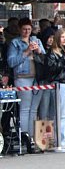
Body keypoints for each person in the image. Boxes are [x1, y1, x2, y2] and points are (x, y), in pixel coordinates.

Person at [5, 17, 46, 153]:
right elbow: (11, 62)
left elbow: (46, 59)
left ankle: (33, 139)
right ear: (19, 29)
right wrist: (26, 51)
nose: (27, 32)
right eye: (24, 29)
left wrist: (39, 51)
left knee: (34, 109)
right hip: (22, 78)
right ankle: (24, 137)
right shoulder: (15, 43)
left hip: (37, 78)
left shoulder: (37, 40)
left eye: (29, 29)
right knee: (25, 108)